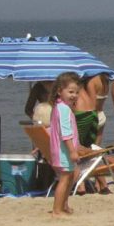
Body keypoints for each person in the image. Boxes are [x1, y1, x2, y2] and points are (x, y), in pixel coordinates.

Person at [48, 72, 81, 217]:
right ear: (60, 91)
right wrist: (72, 151)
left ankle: (64, 204)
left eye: (76, 92)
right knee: (65, 178)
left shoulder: (59, 106)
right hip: (64, 150)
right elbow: (65, 133)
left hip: (61, 150)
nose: (74, 95)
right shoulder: (63, 109)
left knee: (71, 175)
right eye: (70, 92)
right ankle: (57, 210)